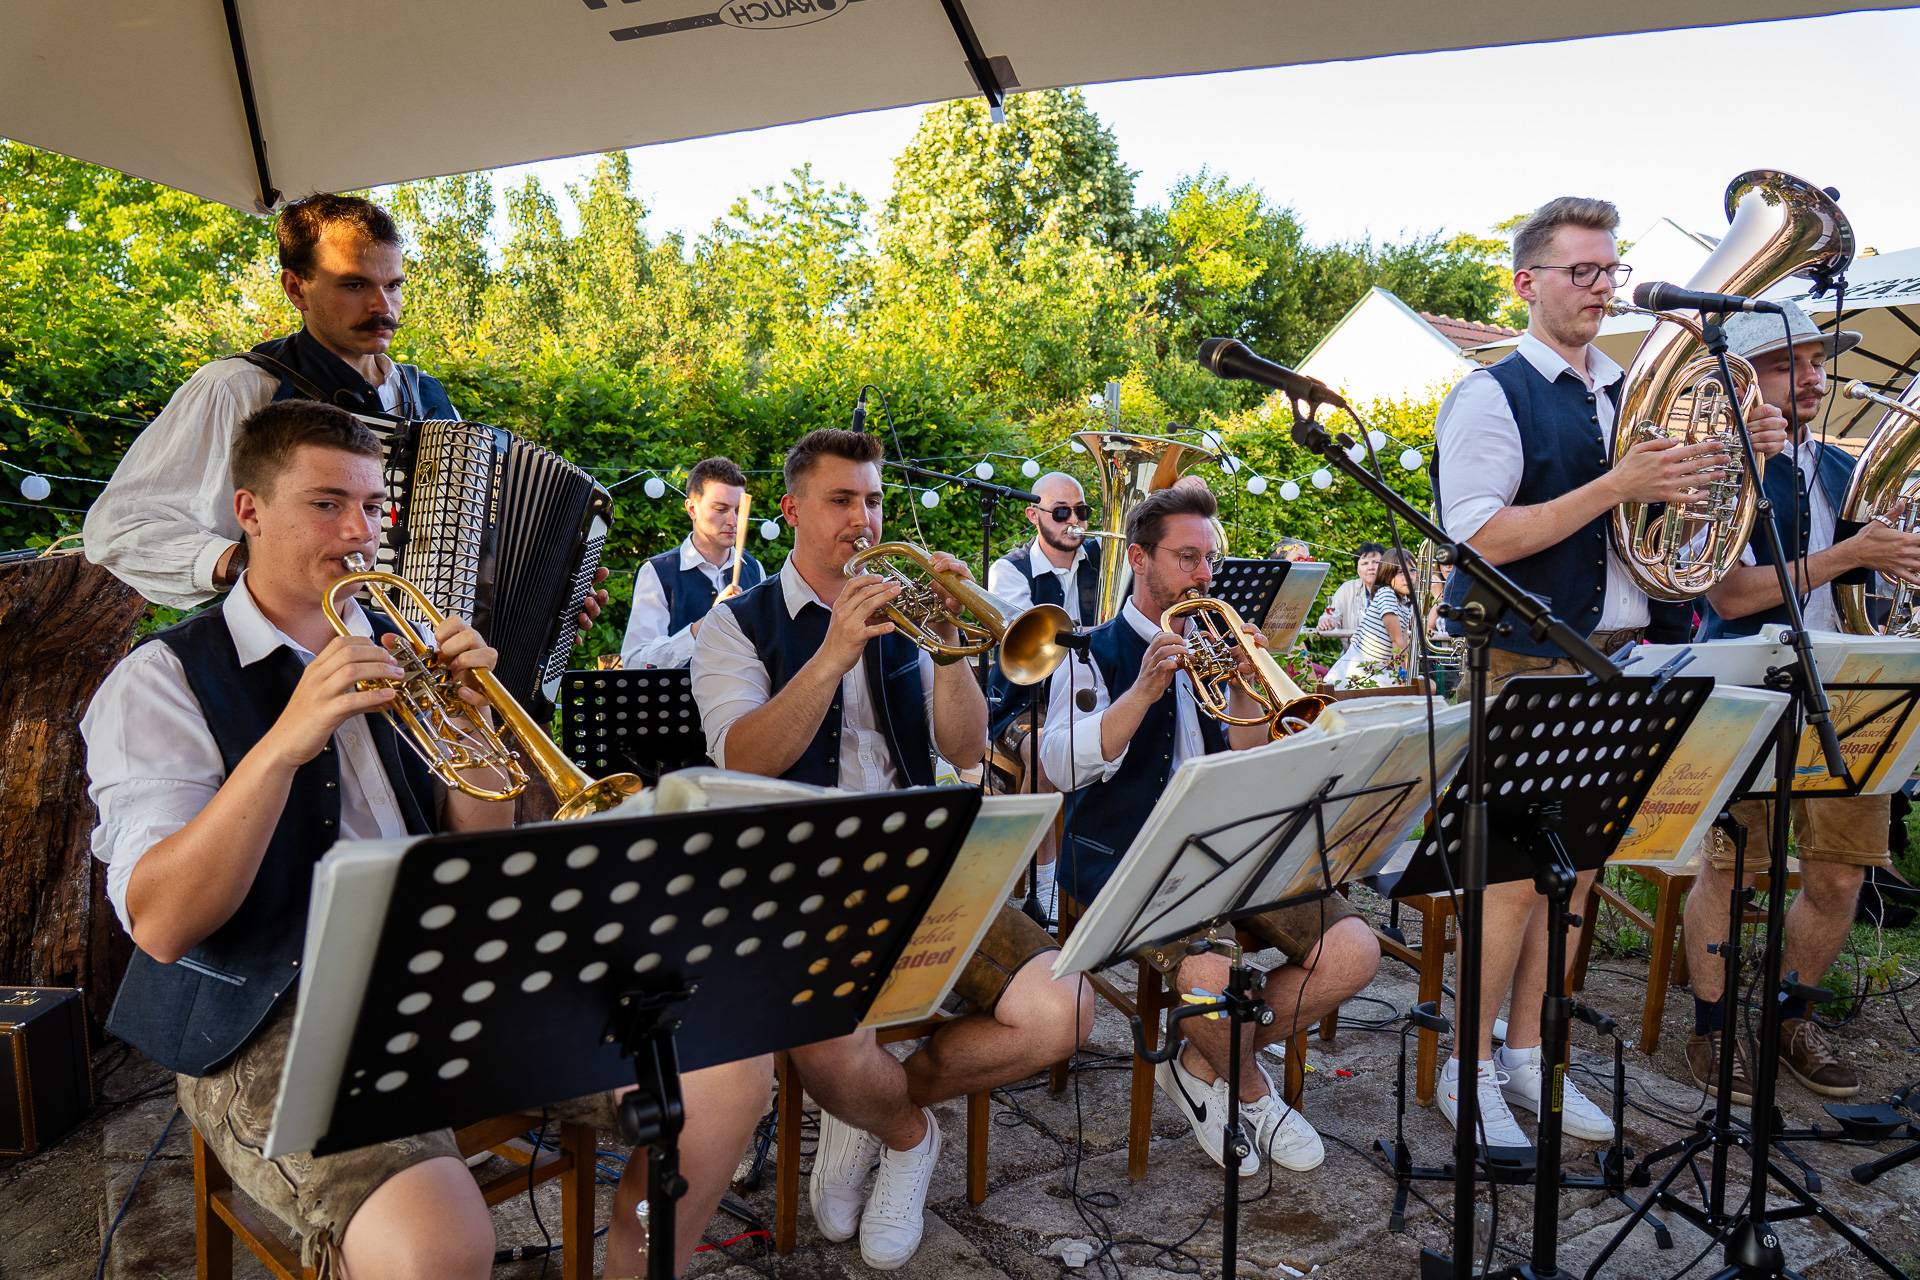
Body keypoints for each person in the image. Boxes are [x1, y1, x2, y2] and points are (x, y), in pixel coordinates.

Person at [82, 401, 767, 1280]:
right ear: (247, 510)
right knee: (437, 1246)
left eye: (373, 507)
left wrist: (478, 739)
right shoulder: (162, 680)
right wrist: (289, 738)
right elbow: (164, 924)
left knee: (726, 1070)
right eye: (328, 504)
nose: (360, 532)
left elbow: (470, 852)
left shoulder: (399, 647)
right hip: (272, 1009)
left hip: (448, 964)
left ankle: (638, 1268)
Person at [1433, 195, 1790, 1152]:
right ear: (1527, 283)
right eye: (1582, 271)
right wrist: (1614, 486)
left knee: (1574, 880)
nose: (1603, 286)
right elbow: (1476, 535)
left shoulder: (1626, 392)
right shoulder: (1491, 393)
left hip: (1620, 659)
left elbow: (1661, 539)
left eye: (1608, 268)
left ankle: (1532, 1060)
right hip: (1524, 662)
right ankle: (1461, 1072)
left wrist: (1733, 468)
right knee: (1508, 884)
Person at [690, 428, 1092, 1269]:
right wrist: (833, 653)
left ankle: (872, 1114)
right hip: (799, 881)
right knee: (828, 1035)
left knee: (1067, 1011)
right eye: (842, 501)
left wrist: (950, 648)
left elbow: (967, 748)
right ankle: (908, 1135)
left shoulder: (908, 612)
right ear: (794, 511)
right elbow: (744, 754)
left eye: (872, 500)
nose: (863, 520)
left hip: (922, 864)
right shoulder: (734, 627)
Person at [1038, 485, 1381, 1177]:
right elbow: (1057, 763)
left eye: (1209, 559)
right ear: (1139, 557)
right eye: (1186, 557)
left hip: (1234, 847)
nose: (1204, 575)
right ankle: (1256, 1094)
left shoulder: (1217, 642)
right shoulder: (1088, 650)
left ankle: (1199, 1060)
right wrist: (1140, 693)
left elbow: (1252, 755)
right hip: (1132, 856)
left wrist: (1253, 688)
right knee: (1209, 976)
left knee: (1353, 949)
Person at [81, 192, 608, 625]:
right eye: (355, 285)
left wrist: (545, 597)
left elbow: (468, 555)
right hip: (290, 663)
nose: (383, 306)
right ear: (296, 288)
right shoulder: (238, 389)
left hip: (422, 676)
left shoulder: (426, 397)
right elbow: (119, 530)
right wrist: (255, 566)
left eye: (393, 285)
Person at [1685, 302, 1912, 1102]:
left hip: (1854, 687)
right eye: (1790, 364)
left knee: (1842, 877)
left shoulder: (1849, 471)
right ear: (1741, 378)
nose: (1814, 377)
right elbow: (1733, 593)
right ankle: (1713, 1031)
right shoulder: (1721, 469)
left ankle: (1788, 1019)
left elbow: (1868, 577)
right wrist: (1850, 554)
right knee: (1730, 868)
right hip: (1750, 683)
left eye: (1819, 361)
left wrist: (1894, 567)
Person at [984, 470, 1100, 919]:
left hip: (1086, 698)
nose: (1074, 522)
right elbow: (1035, 646)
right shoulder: (1009, 570)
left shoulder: (1101, 561)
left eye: (1082, 512)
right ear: (1034, 515)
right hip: (1022, 704)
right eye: (1061, 512)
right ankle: (1046, 881)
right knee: (1045, 751)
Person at [620, 456, 765, 668]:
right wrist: (704, 626)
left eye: (737, 510)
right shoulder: (658, 571)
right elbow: (636, 662)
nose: (733, 521)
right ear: (692, 509)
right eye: (720, 509)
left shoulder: (754, 569)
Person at [1332, 548, 1417, 689]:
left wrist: (1406, 674)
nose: (1409, 576)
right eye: (1401, 572)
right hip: (1360, 670)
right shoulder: (1386, 594)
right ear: (1388, 576)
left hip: (1377, 669)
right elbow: (1397, 643)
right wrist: (1403, 680)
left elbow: (1403, 643)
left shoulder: (1404, 602)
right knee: (1424, 687)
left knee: (1426, 686)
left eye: (1412, 570)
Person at [1315, 542, 1384, 635]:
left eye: (1376, 562)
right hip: (1351, 648)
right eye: (1365, 563)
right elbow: (1331, 615)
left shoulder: (1393, 590)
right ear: (1357, 569)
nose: (1370, 567)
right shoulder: (1347, 589)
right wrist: (1326, 622)